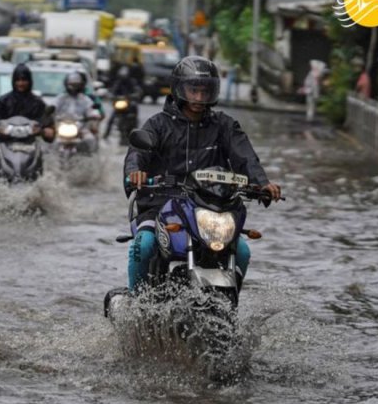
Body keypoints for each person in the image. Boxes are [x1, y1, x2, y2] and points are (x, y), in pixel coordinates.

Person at [124, 56, 282, 292]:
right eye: (193, 90)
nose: (199, 97)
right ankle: (134, 302)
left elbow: (245, 156)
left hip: (210, 208)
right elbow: (137, 153)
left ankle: (229, 304)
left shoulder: (224, 125)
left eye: (205, 91)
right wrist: (135, 172)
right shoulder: (158, 125)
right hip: (162, 205)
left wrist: (262, 183)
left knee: (242, 251)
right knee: (143, 245)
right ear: (179, 88)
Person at [0, 63, 55, 142]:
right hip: (6, 143)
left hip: (31, 144)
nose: (21, 83)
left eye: (24, 80)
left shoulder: (37, 102)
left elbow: (46, 121)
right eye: (18, 80)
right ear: (13, 81)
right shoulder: (3, 101)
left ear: (29, 81)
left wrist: (47, 130)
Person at [54, 72, 102, 153]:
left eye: (76, 85)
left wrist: (94, 114)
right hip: (61, 127)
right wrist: (49, 111)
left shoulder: (85, 99)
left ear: (81, 85)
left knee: (90, 139)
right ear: (66, 84)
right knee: (50, 141)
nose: (73, 87)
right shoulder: (60, 98)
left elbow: (91, 110)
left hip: (81, 128)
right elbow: (53, 107)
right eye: (71, 84)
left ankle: (90, 160)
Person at [104, 65, 142, 140]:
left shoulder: (132, 82)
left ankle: (134, 128)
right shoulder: (118, 82)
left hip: (129, 103)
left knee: (134, 108)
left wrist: (134, 95)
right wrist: (111, 95)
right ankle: (106, 133)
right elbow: (113, 91)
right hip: (120, 103)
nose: (123, 76)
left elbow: (137, 90)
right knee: (112, 117)